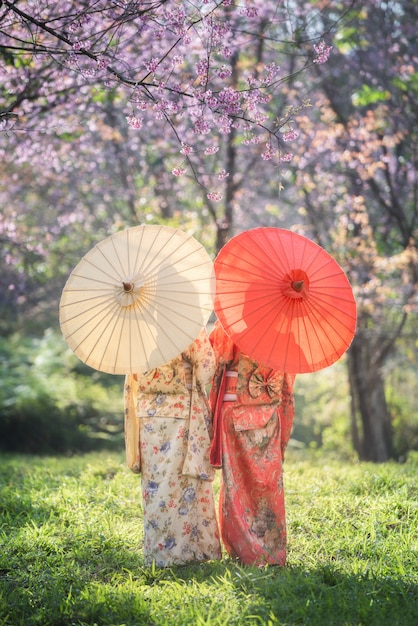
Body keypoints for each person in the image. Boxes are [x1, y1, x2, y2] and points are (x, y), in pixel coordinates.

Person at [124, 328, 222, 567]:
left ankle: (159, 553)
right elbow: (207, 369)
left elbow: (133, 378)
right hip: (181, 412)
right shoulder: (184, 326)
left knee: (156, 483)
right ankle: (190, 552)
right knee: (184, 480)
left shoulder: (134, 330)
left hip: (148, 415)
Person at [209, 320, 295, 567]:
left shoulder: (230, 327)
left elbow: (213, 361)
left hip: (235, 409)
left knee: (237, 484)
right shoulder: (286, 332)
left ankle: (245, 552)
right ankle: (271, 551)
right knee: (267, 483)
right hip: (268, 413)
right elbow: (287, 384)